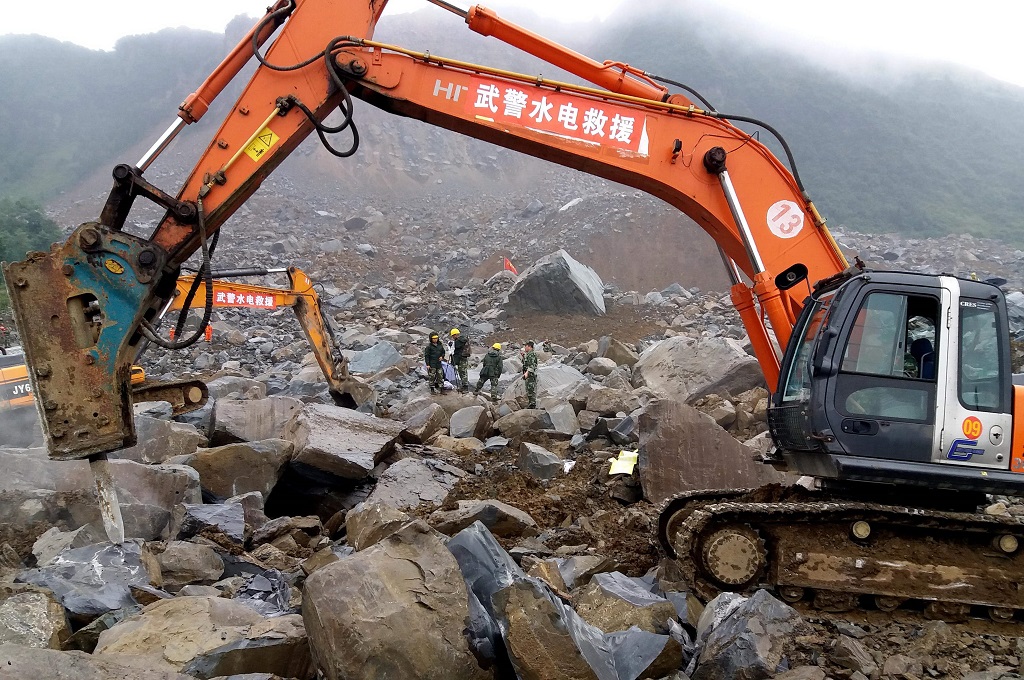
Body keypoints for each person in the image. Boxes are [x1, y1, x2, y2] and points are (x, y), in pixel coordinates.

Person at [450, 328, 470, 393]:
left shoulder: (459, 341)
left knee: (462, 372)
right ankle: (463, 386)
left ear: (455, 335)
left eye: (453, 336)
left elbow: (456, 351)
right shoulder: (463, 339)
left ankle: (465, 388)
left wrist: (453, 360)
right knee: (462, 372)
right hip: (463, 358)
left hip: (461, 359)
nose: (452, 337)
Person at [522, 340, 538, 408]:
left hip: (530, 374)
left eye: (525, 346)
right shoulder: (528, 354)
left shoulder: (531, 354)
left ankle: (532, 404)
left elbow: (532, 365)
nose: (524, 348)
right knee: (528, 389)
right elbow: (526, 363)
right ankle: (531, 403)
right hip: (528, 374)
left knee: (531, 389)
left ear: (529, 347)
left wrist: (527, 373)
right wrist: (523, 357)